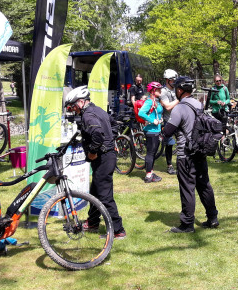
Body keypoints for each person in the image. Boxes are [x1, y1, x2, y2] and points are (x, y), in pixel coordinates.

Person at [64, 86, 126, 239]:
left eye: (73, 106)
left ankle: (118, 230)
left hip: (103, 157)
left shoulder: (88, 116)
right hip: (107, 156)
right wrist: (111, 142)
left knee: (105, 195)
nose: (73, 109)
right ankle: (92, 222)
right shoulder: (98, 110)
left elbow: (97, 134)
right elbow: (114, 125)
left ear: (81, 102)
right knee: (96, 191)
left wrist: (92, 151)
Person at [162, 76, 219, 233]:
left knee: (187, 188)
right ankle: (213, 218)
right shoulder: (198, 104)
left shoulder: (179, 108)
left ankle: (187, 224)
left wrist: (163, 129)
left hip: (185, 154)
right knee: (204, 185)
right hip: (200, 151)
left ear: (180, 90)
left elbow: (168, 132)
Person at [139, 81, 163, 183]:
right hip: (151, 131)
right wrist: (153, 120)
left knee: (153, 153)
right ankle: (148, 176)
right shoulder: (149, 101)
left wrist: (160, 120)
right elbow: (141, 113)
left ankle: (151, 173)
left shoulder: (155, 101)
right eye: (158, 89)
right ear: (153, 91)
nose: (160, 90)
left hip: (156, 130)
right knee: (150, 153)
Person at [160, 69, 180, 175]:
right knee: (169, 144)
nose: (174, 82)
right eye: (173, 80)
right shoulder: (163, 92)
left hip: (178, 119)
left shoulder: (175, 89)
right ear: (167, 80)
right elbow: (168, 107)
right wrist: (180, 99)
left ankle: (181, 164)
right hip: (169, 121)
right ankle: (169, 166)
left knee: (182, 142)